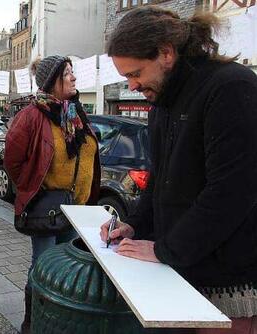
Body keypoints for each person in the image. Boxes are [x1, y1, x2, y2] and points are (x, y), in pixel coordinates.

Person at [100, 6, 257, 334]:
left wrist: (164, 249)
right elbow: (160, 179)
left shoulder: (231, 86)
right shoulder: (163, 102)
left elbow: (231, 191)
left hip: (229, 278)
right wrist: (133, 225)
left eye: (136, 73)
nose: (132, 86)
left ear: (166, 53)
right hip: (181, 268)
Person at [4, 55, 101, 334]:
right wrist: (36, 188)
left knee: (66, 269)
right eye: (67, 73)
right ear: (51, 81)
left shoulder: (74, 112)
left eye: (72, 73)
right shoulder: (32, 116)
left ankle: (56, 320)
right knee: (43, 268)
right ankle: (33, 322)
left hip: (78, 207)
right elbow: (13, 160)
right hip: (49, 208)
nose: (73, 78)